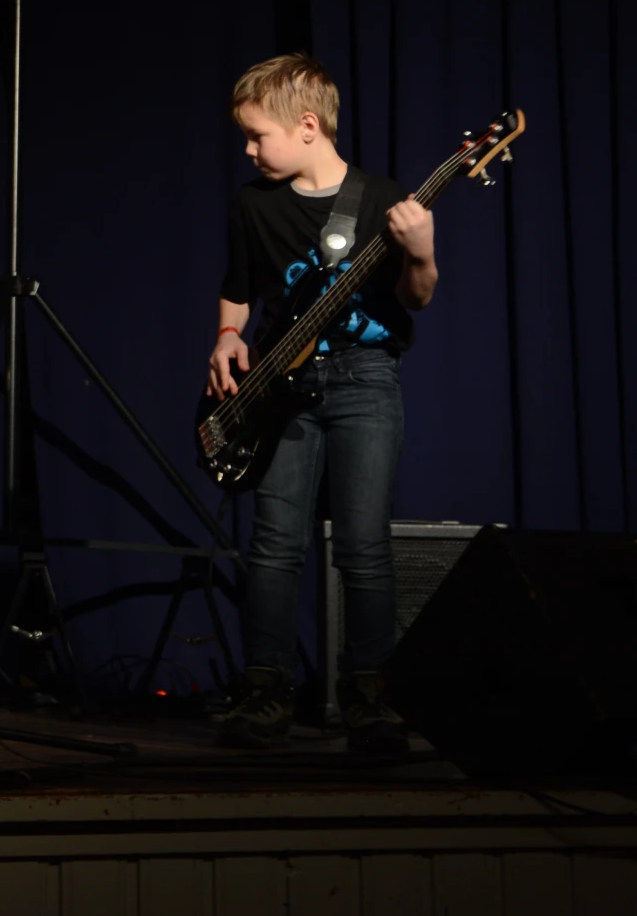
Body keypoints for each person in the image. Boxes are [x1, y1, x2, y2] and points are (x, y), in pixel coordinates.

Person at [206, 54, 436, 754]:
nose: (248, 150)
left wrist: (421, 252)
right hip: (281, 391)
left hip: (366, 380)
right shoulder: (253, 203)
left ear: (307, 126)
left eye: (256, 136)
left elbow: (415, 297)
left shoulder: (381, 197)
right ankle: (266, 694)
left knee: (365, 547)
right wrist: (225, 335)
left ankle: (370, 701)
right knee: (274, 545)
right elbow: (239, 288)